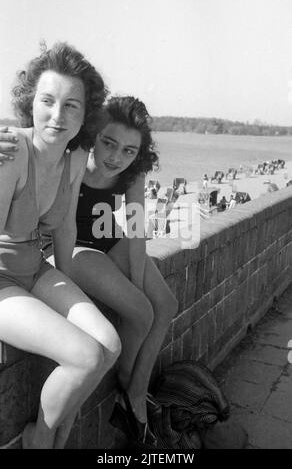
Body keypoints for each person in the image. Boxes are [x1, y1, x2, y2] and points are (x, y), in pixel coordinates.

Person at [0, 96, 178, 448]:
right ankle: (131, 394)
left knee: (165, 306)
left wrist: (138, 283)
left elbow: (137, 228)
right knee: (141, 313)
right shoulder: (73, 155)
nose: (116, 157)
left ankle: (135, 390)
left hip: (105, 235)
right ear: (94, 134)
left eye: (129, 151)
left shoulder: (133, 171)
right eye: (109, 143)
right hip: (67, 245)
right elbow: (32, 142)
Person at [0, 42, 122, 449]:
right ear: (29, 102)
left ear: (85, 114)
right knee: (85, 356)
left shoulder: (74, 157)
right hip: (1, 283)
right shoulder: (13, 152)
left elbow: (66, 227)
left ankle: (57, 433)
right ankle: (40, 440)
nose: (57, 115)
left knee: (109, 345)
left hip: (34, 269)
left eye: (72, 105)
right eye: (48, 101)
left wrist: (68, 293)